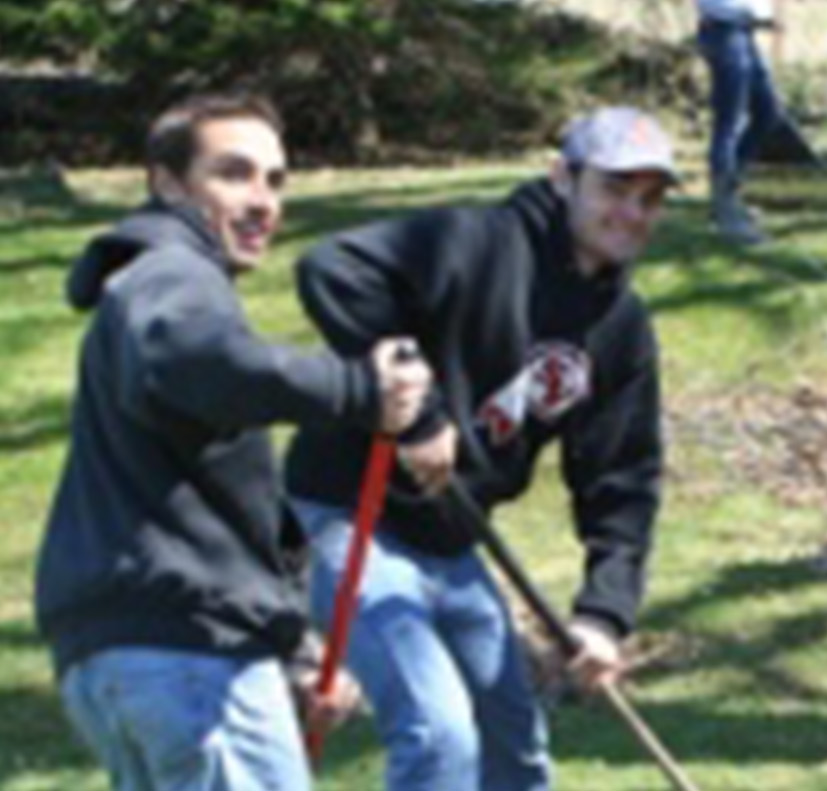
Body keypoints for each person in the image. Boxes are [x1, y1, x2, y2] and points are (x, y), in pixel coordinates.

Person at [35, 92, 430, 790]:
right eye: (234, 173)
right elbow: (197, 362)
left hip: (134, 652)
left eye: (275, 180)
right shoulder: (171, 275)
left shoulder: (147, 285)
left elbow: (214, 498)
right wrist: (356, 390)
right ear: (166, 183)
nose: (262, 201)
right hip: (183, 656)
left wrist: (291, 650)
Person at [283, 106, 676, 791]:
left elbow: (623, 477)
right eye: (614, 189)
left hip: (453, 534)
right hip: (354, 514)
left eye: (648, 198)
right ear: (562, 177)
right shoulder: (472, 240)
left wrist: (602, 614)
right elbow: (333, 268)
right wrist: (417, 413)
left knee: (514, 748)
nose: (632, 213)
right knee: (439, 736)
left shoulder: (620, 328)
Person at [696, 0, 784, 244]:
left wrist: (764, 13)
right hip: (722, 29)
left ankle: (730, 194)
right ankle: (727, 216)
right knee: (729, 124)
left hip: (744, 30)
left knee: (767, 112)